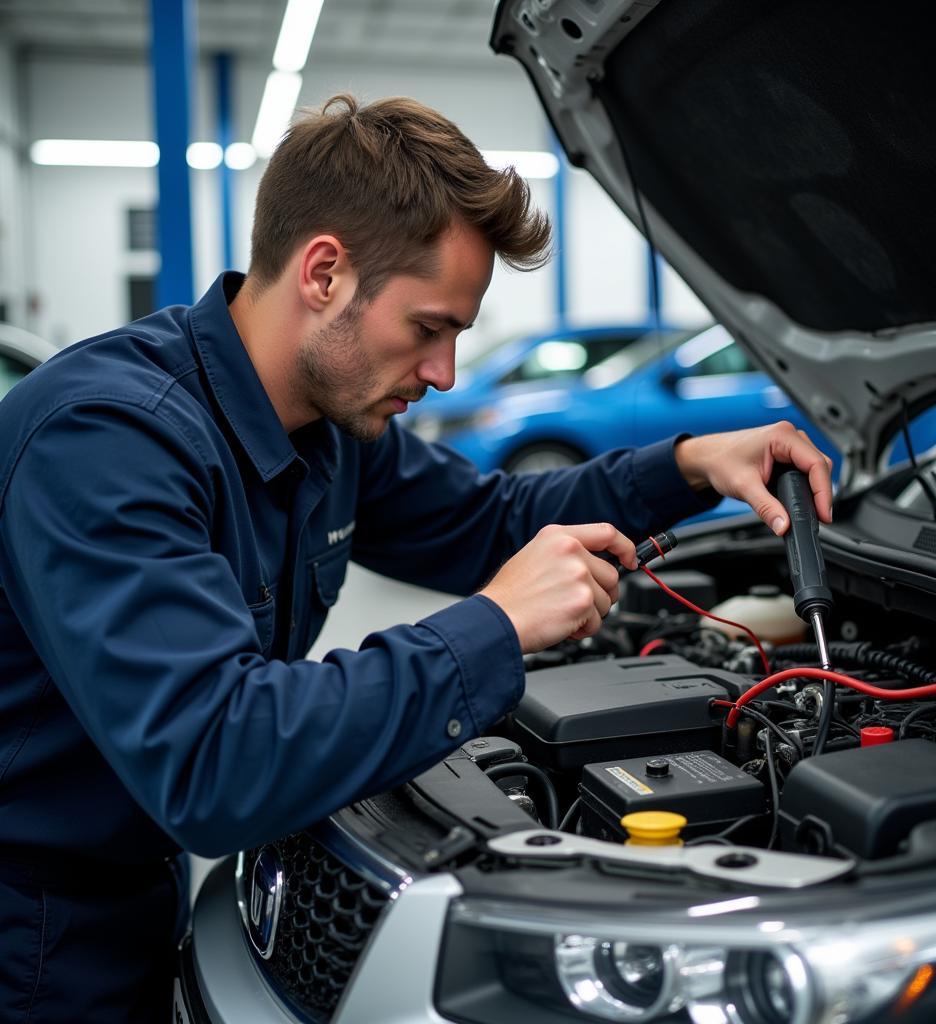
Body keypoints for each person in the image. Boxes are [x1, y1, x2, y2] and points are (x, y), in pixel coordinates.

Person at [0, 93, 832, 1021]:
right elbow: (214, 759)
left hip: (139, 888)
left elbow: (490, 517)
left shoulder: (324, 424)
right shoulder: (107, 442)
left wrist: (686, 466)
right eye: (428, 327)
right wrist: (496, 626)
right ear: (324, 272)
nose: (441, 374)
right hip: (32, 928)